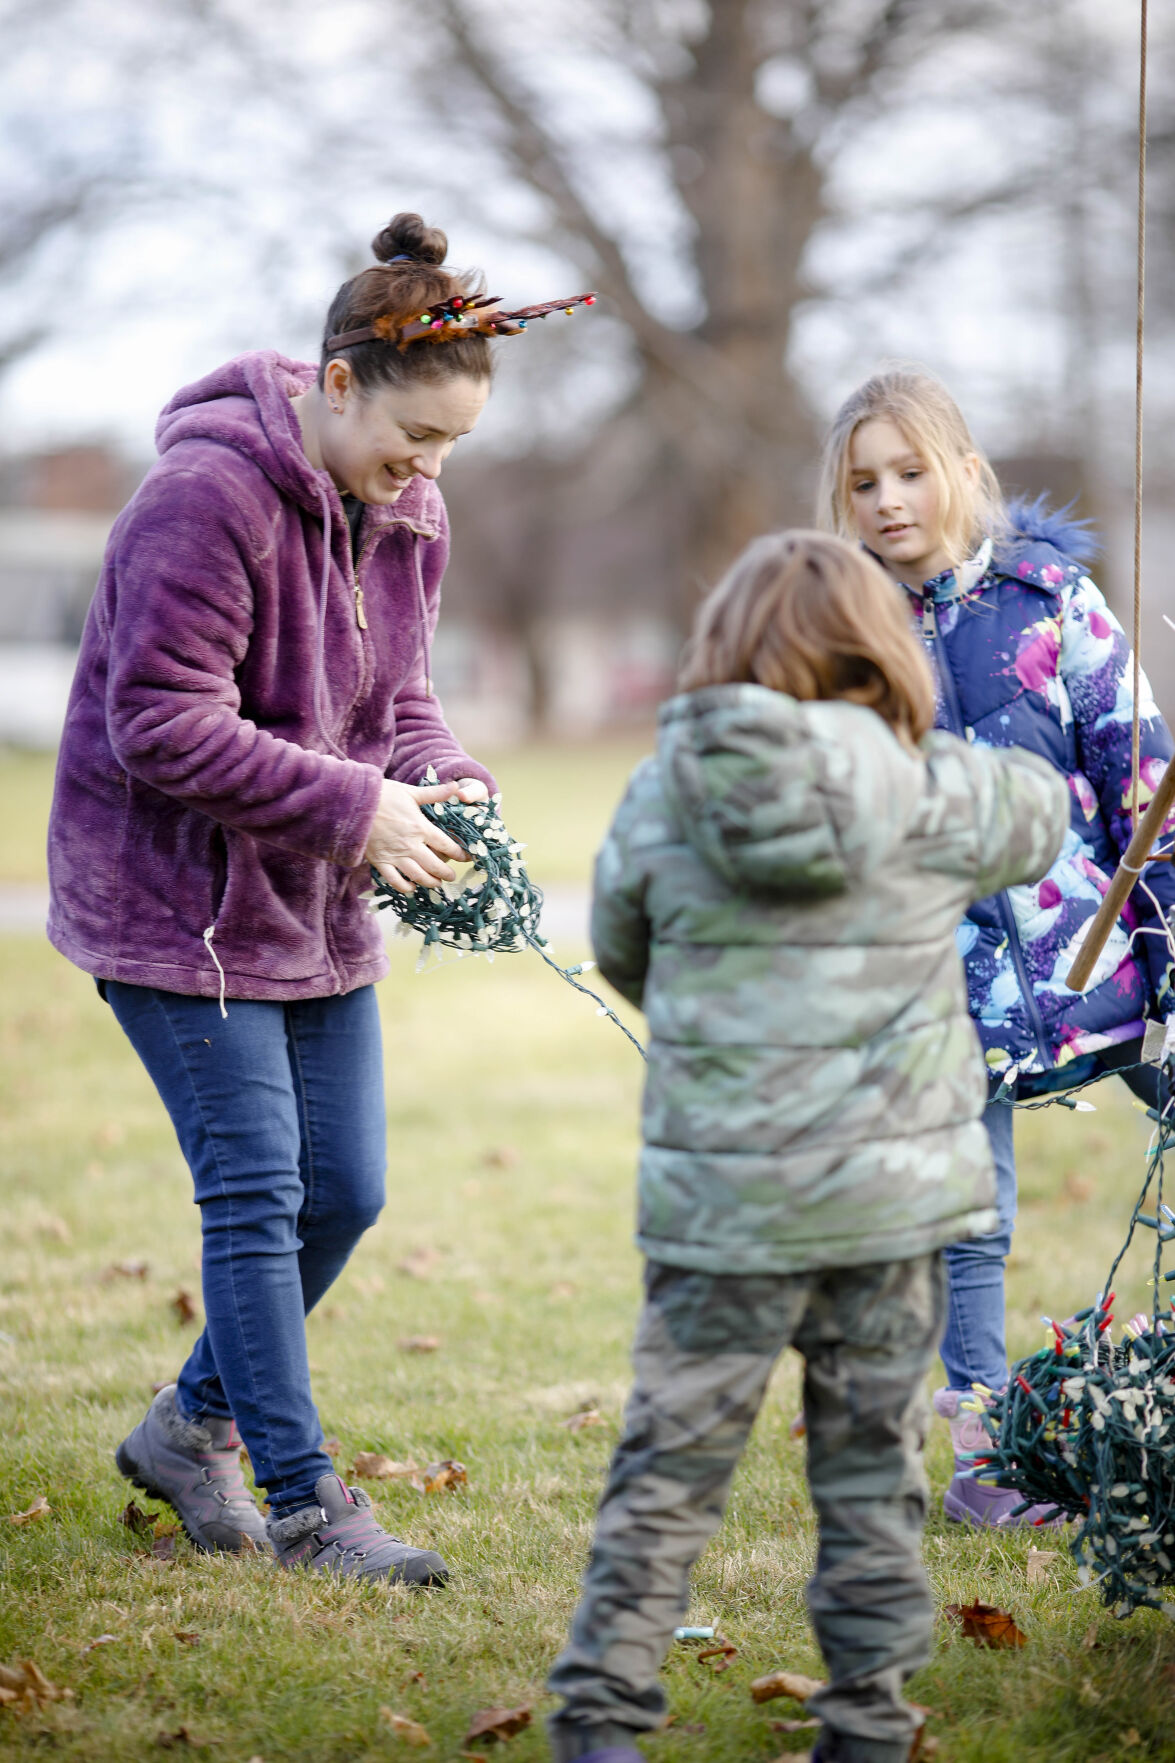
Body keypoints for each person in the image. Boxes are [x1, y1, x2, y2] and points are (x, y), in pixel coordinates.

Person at [48, 212, 529, 1582]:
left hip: (311, 898)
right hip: (171, 906)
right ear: (333, 383)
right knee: (257, 1192)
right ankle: (312, 1505)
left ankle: (185, 1425)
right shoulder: (201, 499)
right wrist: (358, 806)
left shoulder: (406, 510)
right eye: (411, 439)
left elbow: (400, 699)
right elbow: (158, 721)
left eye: (446, 450)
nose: (425, 475)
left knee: (351, 1189)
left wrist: (443, 779)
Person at [545, 531, 1069, 1763]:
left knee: (665, 1472)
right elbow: (1039, 816)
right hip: (887, 1212)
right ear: (881, 654)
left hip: (722, 1210)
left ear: (722, 650)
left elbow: (626, 946)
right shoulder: (933, 787)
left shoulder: (664, 787)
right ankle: (866, 1724)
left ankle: (601, 1722)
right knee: (867, 1482)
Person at [818, 365, 1175, 1526]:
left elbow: (1138, 773)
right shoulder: (837, 634)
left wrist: (1168, 938)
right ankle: (982, 1453)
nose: (886, 498)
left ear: (964, 473)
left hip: (1097, 954)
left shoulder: (1051, 597)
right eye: (861, 481)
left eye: (910, 471)